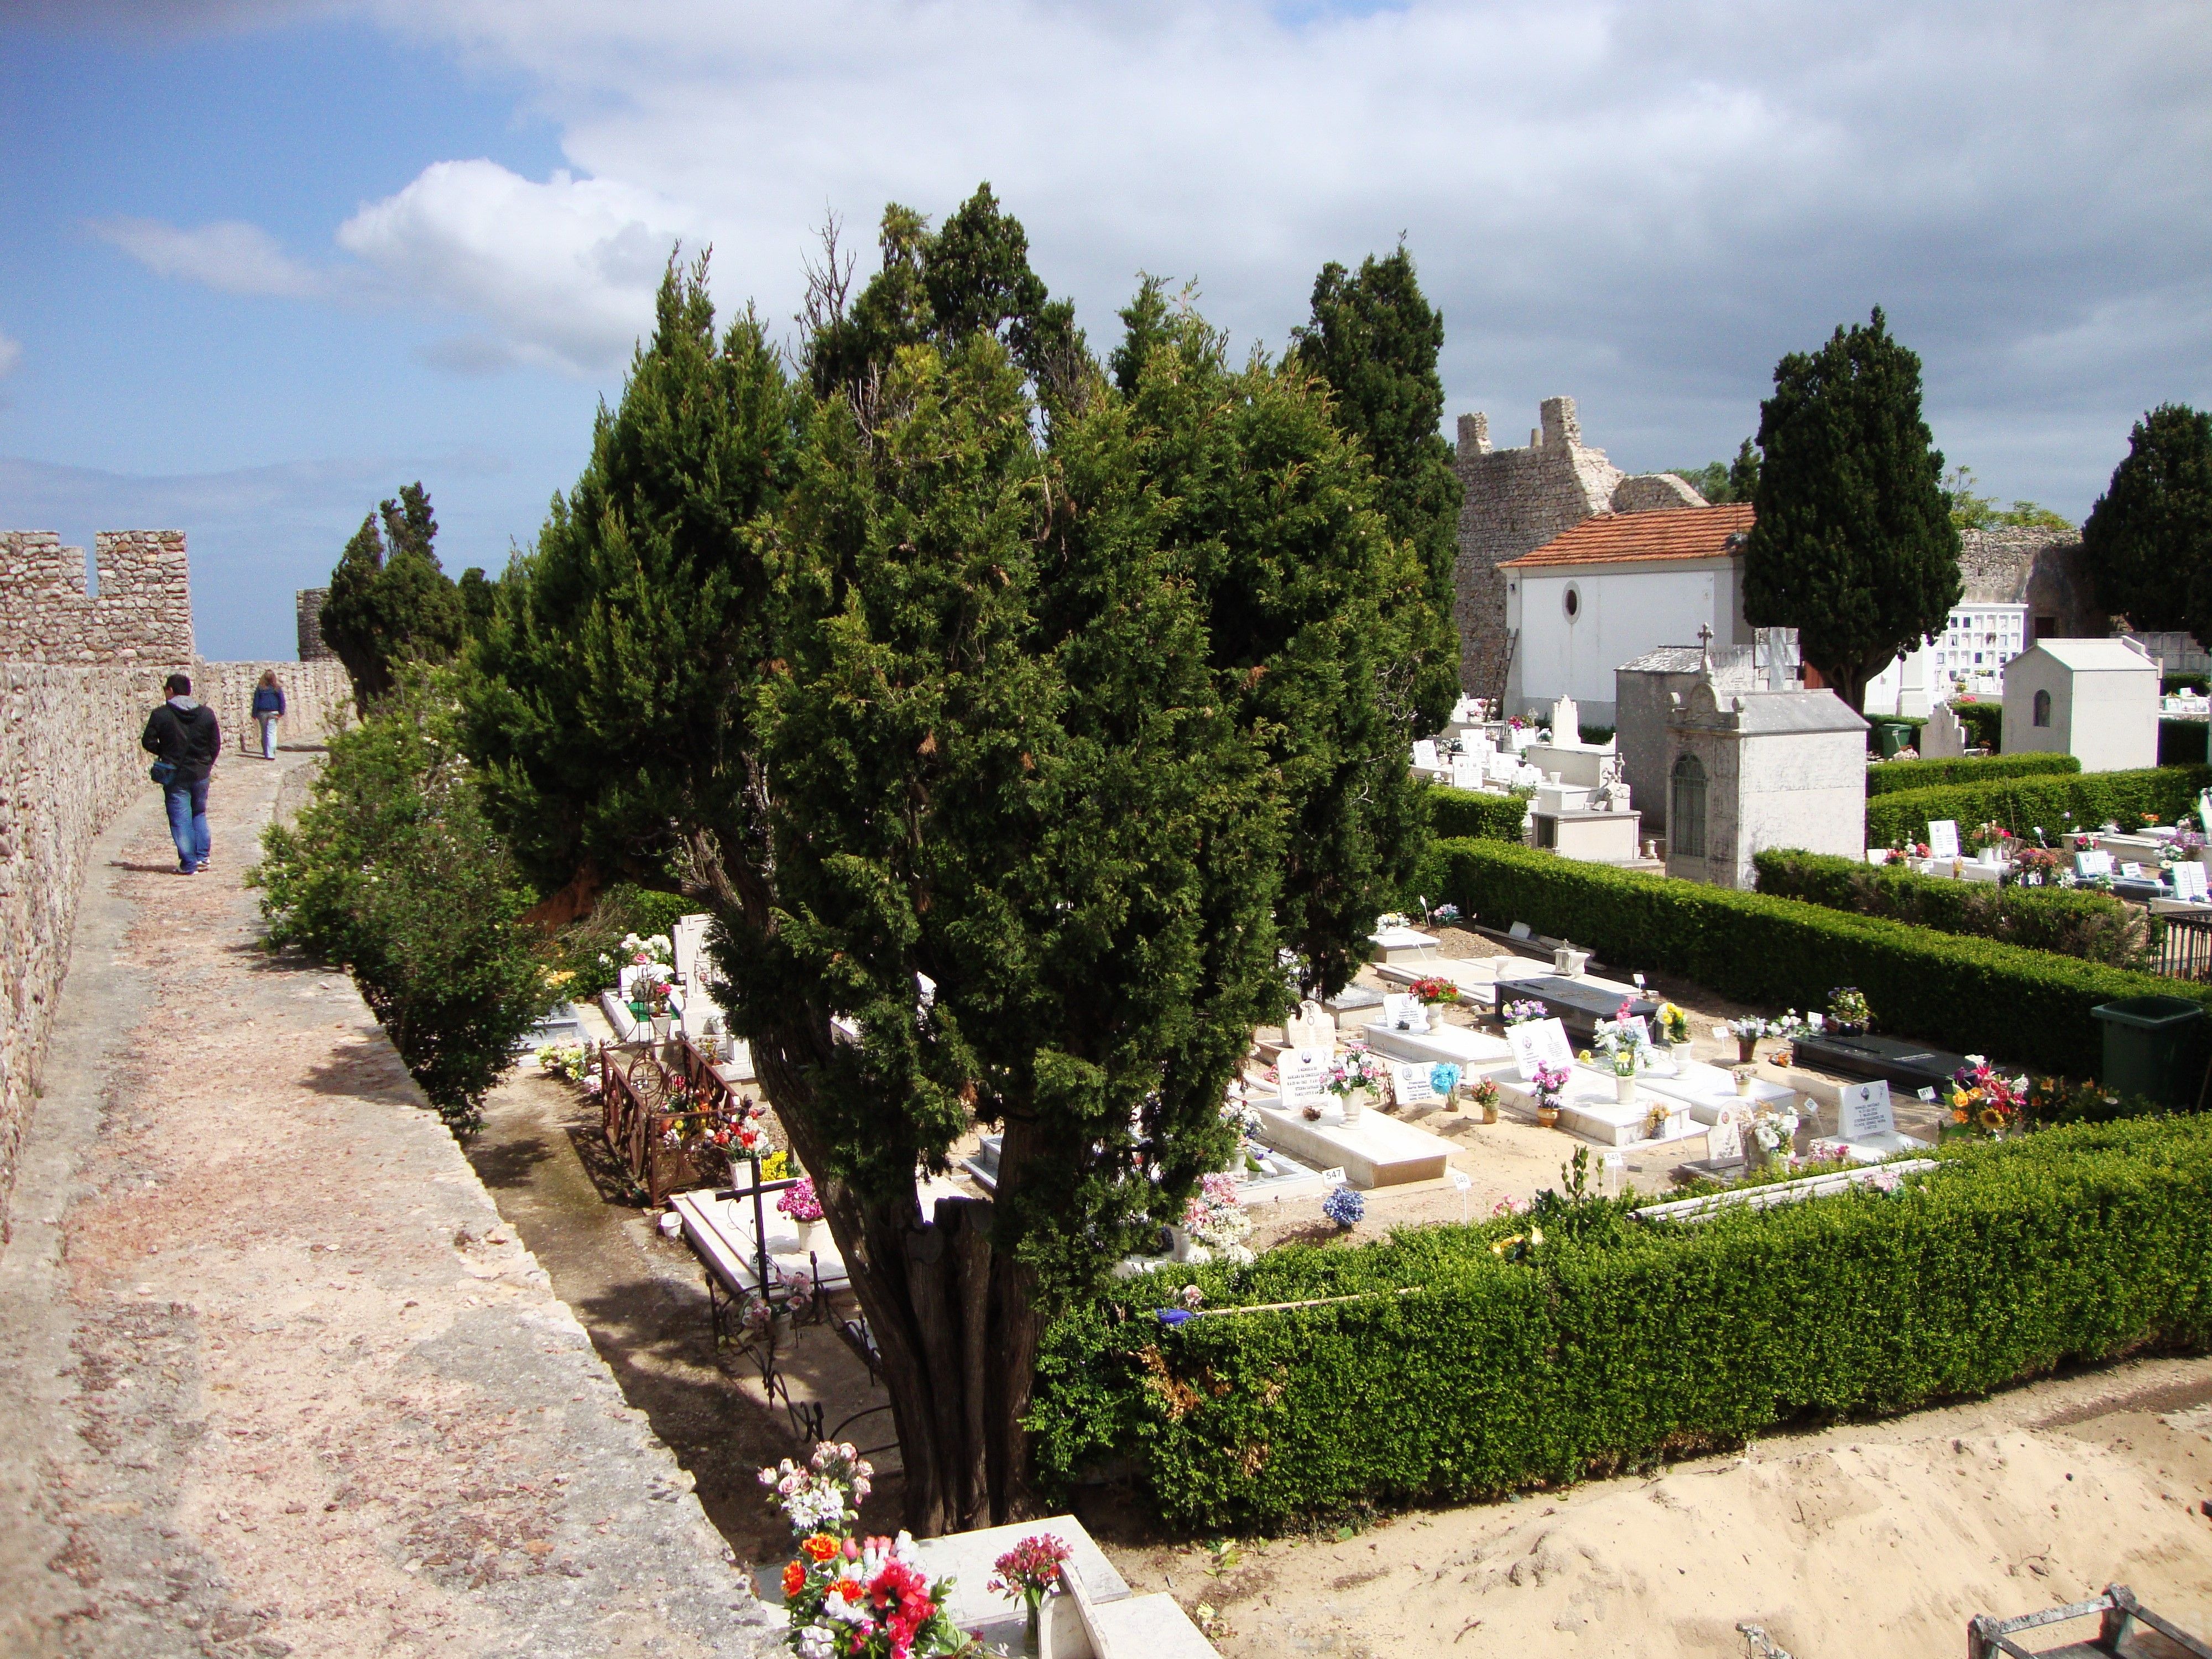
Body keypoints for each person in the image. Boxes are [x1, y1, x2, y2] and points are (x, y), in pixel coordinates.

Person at [142, 671, 221, 875]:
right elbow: (215, 744)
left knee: (180, 818)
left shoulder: (161, 714)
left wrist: (166, 753)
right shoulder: (206, 714)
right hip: (200, 772)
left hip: (175, 773)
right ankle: (203, 857)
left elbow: (148, 741)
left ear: (170, 690)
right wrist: (207, 764)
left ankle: (189, 863)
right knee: (199, 813)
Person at [252, 669, 286, 759]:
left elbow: (256, 701)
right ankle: (271, 754)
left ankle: (266, 751)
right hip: (274, 713)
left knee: (264, 732)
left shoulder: (260, 688)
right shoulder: (277, 688)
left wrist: (254, 714)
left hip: (262, 713)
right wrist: (281, 712)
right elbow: (282, 701)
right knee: (271, 733)